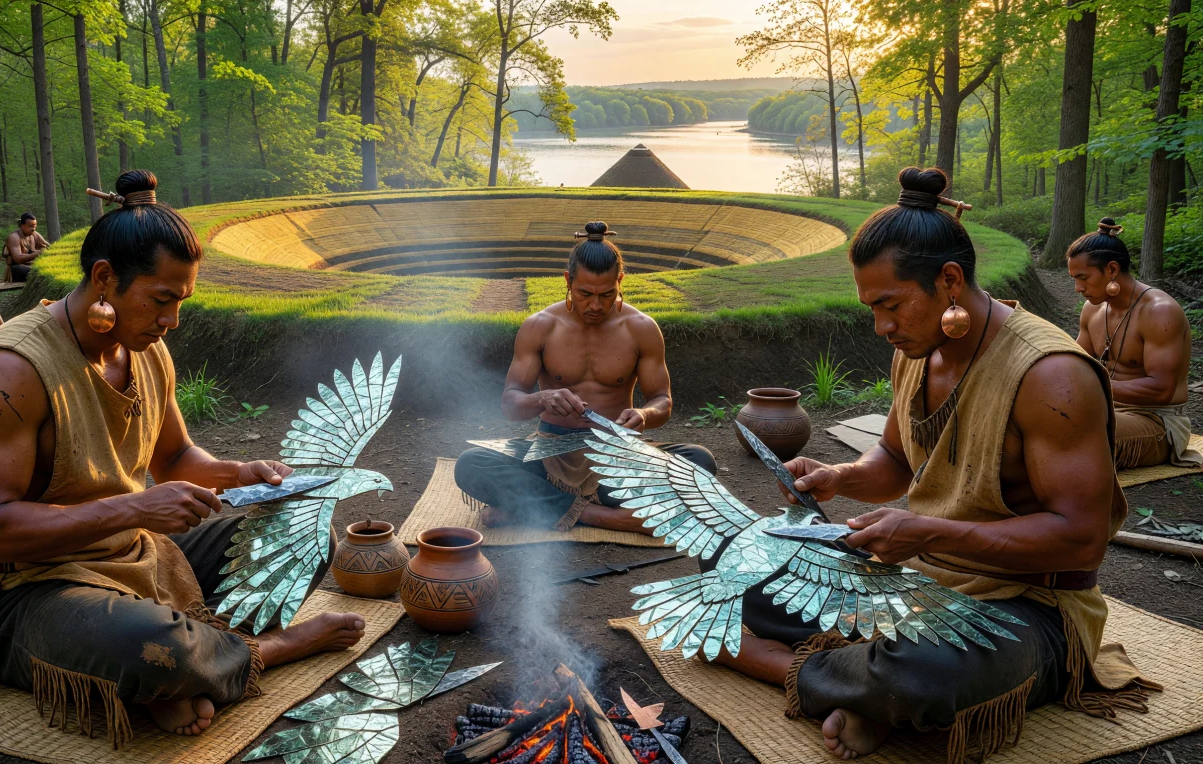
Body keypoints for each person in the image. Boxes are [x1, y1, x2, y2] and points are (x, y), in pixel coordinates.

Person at [710, 169, 1155, 763]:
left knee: (922, 670)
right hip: (919, 580)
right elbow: (894, 458)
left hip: (1027, 607)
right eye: (872, 309)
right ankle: (860, 689)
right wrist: (839, 478)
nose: (881, 327)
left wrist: (927, 531)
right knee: (733, 564)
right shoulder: (918, 351)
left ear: (949, 281)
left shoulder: (1052, 375)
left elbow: (1081, 541)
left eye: (890, 305)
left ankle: (780, 664)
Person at [0, 171, 366, 745]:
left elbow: (179, 457)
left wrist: (245, 474)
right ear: (106, 279)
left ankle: (189, 668)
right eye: (161, 300)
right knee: (154, 648)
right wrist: (137, 508)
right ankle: (263, 649)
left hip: (135, 557)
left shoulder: (147, 350)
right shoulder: (10, 371)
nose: (172, 321)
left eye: (181, 301)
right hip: (27, 587)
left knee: (307, 536)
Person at [454, 221, 716, 533]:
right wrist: (543, 398)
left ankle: (535, 508)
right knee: (472, 464)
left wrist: (644, 414)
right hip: (550, 452)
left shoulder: (642, 329)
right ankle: (605, 517)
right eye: (585, 293)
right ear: (567, 281)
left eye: (607, 294)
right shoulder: (540, 326)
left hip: (617, 455)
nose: (595, 305)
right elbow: (511, 405)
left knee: (700, 463)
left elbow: (663, 401)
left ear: (620, 280)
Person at [1068, 218, 1200, 470]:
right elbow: (1075, 364)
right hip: (1104, 408)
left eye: (1083, 278)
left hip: (1157, 420)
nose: (1078, 288)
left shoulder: (1160, 312)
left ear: (1112, 270)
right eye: (1074, 278)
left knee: (1072, 432)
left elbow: (1161, 390)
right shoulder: (1092, 310)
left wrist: (1092, 383)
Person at [3, 212, 48, 282]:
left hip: (32, 265)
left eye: (35, 226)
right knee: (37, 272)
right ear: (22, 225)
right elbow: (18, 258)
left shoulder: (34, 234)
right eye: (30, 226)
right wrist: (36, 254)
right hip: (17, 269)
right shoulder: (14, 237)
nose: (33, 229)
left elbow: (48, 246)